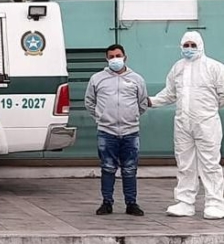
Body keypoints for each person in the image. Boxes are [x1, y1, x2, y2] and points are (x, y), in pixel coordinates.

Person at [148, 31, 224, 219]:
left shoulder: (214, 67)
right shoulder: (178, 68)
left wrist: (208, 110)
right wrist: (151, 101)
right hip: (182, 123)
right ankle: (185, 202)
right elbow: (170, 93)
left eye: (192, 45)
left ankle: (215, 203)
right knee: (185, 163)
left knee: (210, 163)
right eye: (186, 45)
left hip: (207, 123)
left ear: (200, 45)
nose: (189, 48)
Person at [84, 44, 148, 217]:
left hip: (130, 132)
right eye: (111, 56)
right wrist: (101, 117)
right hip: (107, 132)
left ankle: (131, 203)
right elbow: (89, 102)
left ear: (125, 57)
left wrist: (132, 117)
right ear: (106, 59)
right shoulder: (97, 79)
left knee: (130, 169)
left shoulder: (137, 79)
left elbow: (142, 103)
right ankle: (107, 203)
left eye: (118, 55)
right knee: (107, 168)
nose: (115, 59)